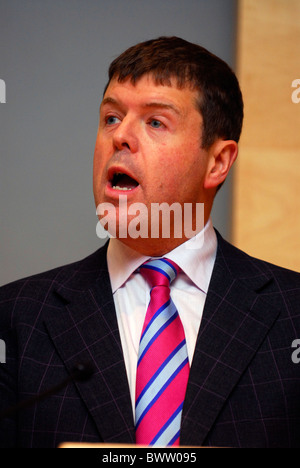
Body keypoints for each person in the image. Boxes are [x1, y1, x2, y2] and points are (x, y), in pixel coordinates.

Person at [0, 36, 299, 448]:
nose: (119, 136)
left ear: (217, 162)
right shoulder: (15, 318)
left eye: (155, 122)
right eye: (110, 118)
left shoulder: (293, 313)